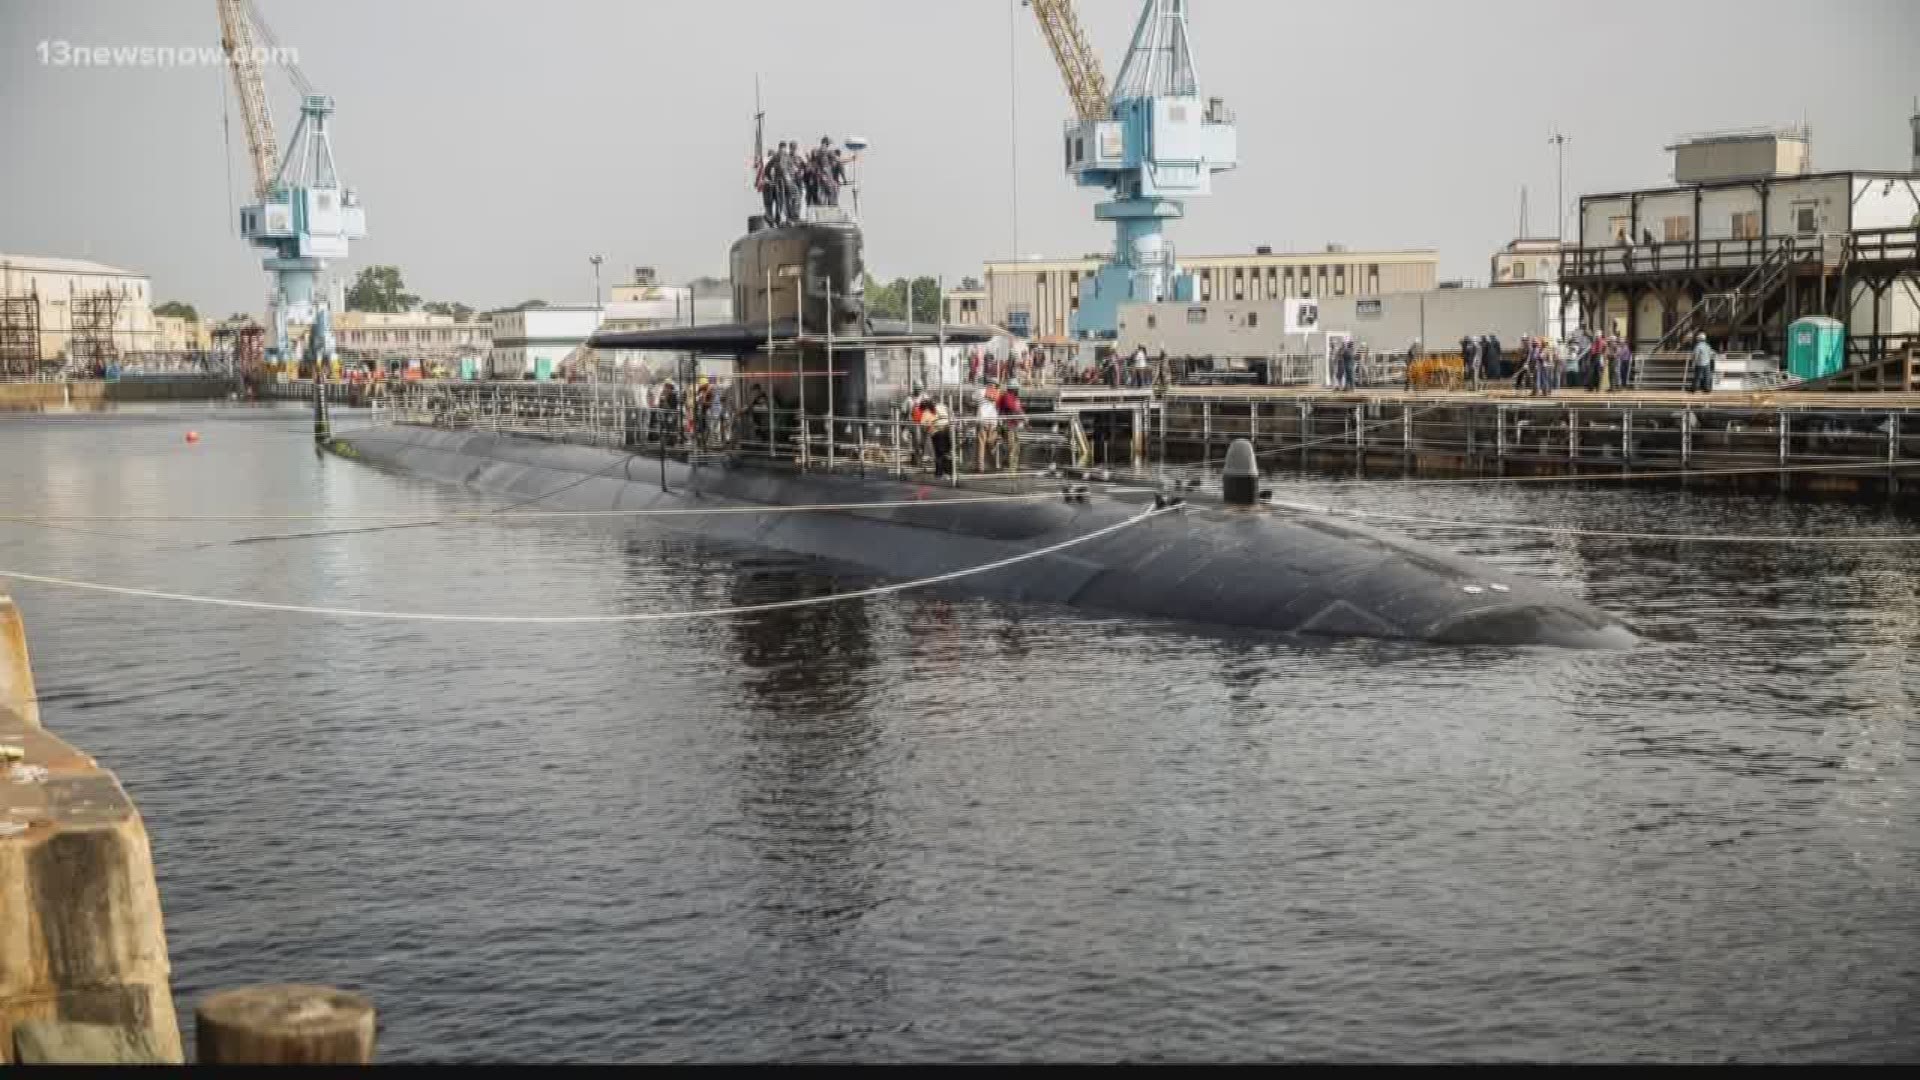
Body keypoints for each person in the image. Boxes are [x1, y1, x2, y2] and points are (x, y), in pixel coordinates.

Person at [923, 393, 953, 475]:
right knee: (947, 451)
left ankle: (939, 472)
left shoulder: (929, 410)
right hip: (947, 429)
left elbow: (925, 423)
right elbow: (951, 415)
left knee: (939, 452)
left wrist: (928, 430)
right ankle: (949, 470)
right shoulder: (943, 406)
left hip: (937, 431)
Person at [998, 378, 1025, 468]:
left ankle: (1013, 464)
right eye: (1017, 388)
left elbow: (1019, 409)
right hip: (1008, 425)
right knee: (1011, 446)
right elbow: (1011, 409)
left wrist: (1024, 419)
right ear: (1013, 388)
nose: (1018, 390)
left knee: (1017, 445)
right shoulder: (1007, 396)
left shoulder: (1015, 398)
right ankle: (1010, 466)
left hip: (1014, 425)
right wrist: (1020, 417)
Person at [975, 382, 1000, 472]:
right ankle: (987, 466)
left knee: (984, 443)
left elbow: (973, 400)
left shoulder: (980, 391)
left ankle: (983, 466)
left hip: (987, 420)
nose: (995, 387)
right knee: (986, 443)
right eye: (994, 385)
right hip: (988, 420)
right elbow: (994, 400)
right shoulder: (993, 392)